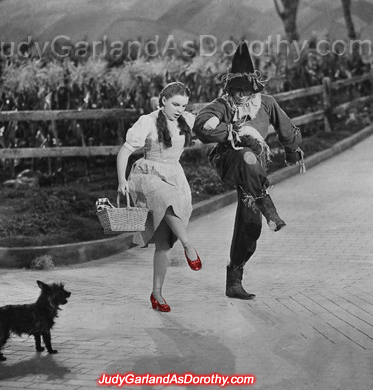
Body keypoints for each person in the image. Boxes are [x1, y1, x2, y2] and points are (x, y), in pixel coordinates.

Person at [192, 42, 304, 300]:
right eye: (235, 90)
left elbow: (286, 129)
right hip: (230, 161)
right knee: (246, 153)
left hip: (253, 173)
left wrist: (292, 151)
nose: (240, 96)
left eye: (245, 90)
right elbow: (202, 125)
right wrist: (232, 132)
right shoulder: (222, 105)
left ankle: (235, 279)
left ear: (254, 88)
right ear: (229, 89)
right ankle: (268, 205)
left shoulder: (266, 103)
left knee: (250, 224)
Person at [117, 82, 202, 313]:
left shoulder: (187, 120)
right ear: (162, 100)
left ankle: (157, 294)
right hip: (148, 174)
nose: (179, 109)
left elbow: (212, 127)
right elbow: (125, 151)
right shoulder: (148, 121)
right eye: (175, 104)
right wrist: (122, 180)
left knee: (163, 244)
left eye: (183, 105)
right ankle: (188, 244)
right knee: (165, 198)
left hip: (175, 175)